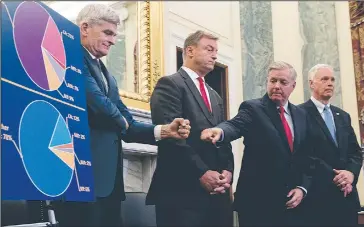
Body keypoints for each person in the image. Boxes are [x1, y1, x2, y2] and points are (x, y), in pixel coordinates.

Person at [54, 4, 191, 227]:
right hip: (80, 176)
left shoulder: (108, 75)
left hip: (110, 183)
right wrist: (123, 122)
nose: (113, 40)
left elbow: (127, 122)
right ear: (85, 28)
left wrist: (164, 130)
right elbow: (100, 105)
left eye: (115, 34)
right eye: (108, 32)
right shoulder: (71, 57)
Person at [201, 61, 313, 226]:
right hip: (257, 204)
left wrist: (302, 188)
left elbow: (307, 156)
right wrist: (220, 131)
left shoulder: (301, 115)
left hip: (292, 205)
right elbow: (235, 125)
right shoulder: (253, 108)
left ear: (293, 86)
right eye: (273, 81)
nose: (276, 86)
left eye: (283, 82)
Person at [146, 30, 234, 227]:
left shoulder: (215, 95)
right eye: (209, 49)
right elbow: (171, 137)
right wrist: (202, 173)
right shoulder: (170, 84)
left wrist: (228, 170)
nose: (215, 55)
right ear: (190, 50)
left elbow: (223, 135)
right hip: (181, 192)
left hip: (217, 195)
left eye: (216, 51)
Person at [298, 64, 362, 226]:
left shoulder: (343, 116)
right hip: (317, 198)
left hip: (346, 197)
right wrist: (336, 177)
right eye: (324, 79)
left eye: (332, 79)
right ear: (311, 83)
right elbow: (304, 154)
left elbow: (355, 152)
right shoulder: (299, 113)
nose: (330, 83)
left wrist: (350, 175)